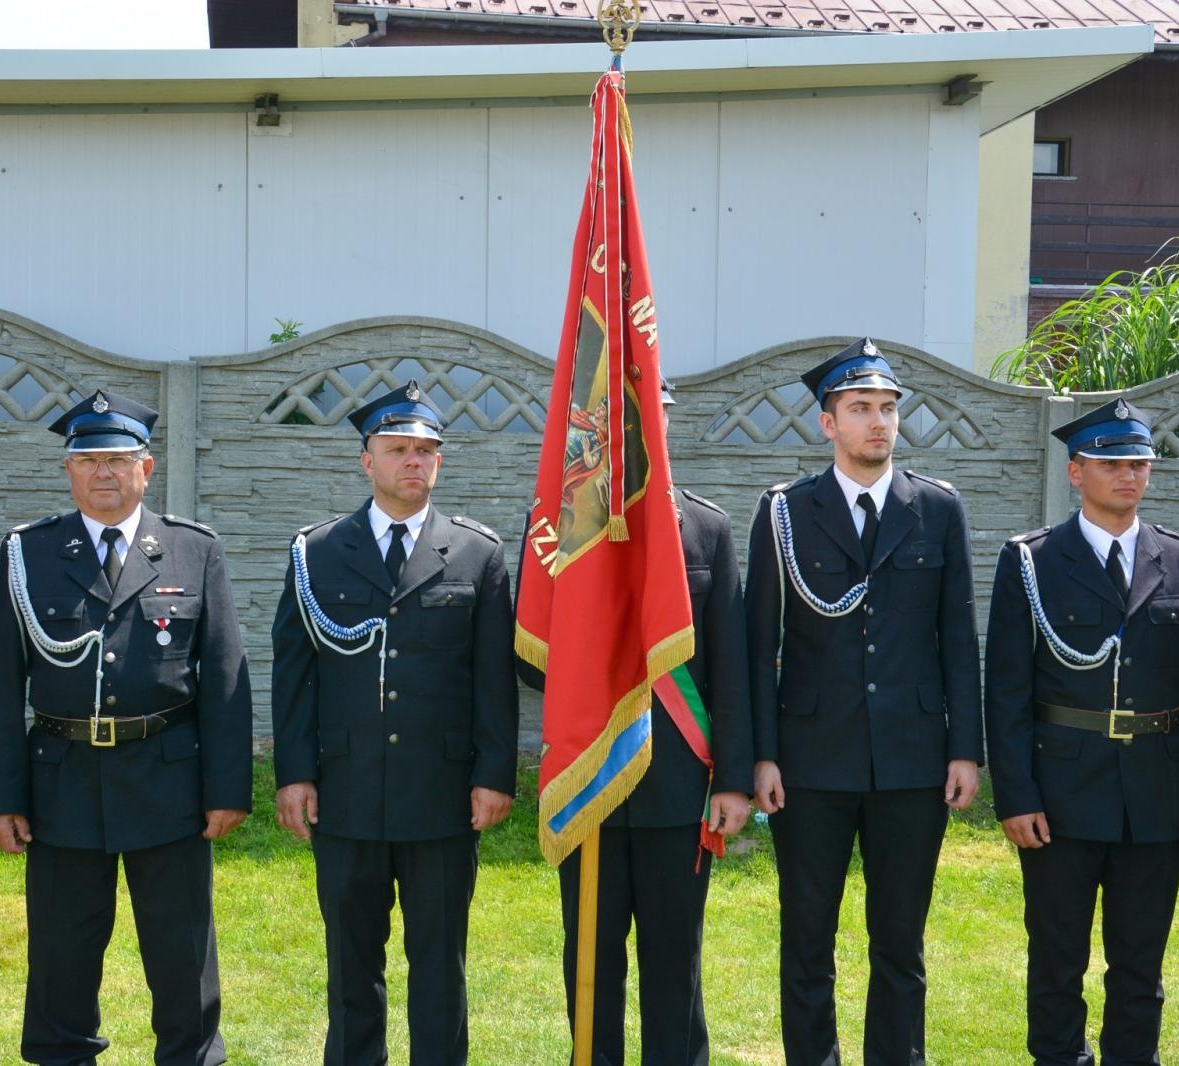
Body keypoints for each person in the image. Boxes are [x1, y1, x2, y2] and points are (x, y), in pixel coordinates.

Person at [0, 389, 252, 1066]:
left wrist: (228, 789)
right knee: (62, 958)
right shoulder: (27, 554)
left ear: (146, 469)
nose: (104, 473)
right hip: (61, 784)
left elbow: (224, 679)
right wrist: (0, 797)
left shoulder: (192, 551)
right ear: (67, 470)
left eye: (119, 460)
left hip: (169, 781)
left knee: (182, 958)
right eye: (88, 459)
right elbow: (1, 684)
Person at [745, 338, 981, 1065]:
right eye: (860, 409)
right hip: (811, 760)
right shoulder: (785, 511)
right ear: (827, 424)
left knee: (901, 941)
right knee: (807, 937)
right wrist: (762, 755)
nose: (878, 422)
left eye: (887, 408)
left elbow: (956, 638)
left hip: (911, 761)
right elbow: (759, 644)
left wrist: (965, 748)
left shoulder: (936, 509)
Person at [271, 380, 518, 1066]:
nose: (414, 461)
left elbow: (494, 680)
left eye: (426, 451)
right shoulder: (317, 551)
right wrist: (294, 773)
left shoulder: (476, 553)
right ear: (366, 460)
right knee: (351, 967)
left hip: (442, 798)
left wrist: (495, 773)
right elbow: (294, 674)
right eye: (398, 449)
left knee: (441, 964)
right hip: (346, 793)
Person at [984, 397, 1179, 1065]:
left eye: (1140, 464)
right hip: (1061, 791)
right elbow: (1006, 690)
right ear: (1075, 471)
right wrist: (1015, 796)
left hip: (1157, 790)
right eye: (1113, 462)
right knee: (1057, 959)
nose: (1129, 475)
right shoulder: (1031, 560)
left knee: (1141, 963)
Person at [521, 380, 752, 1066]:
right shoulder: (562, 527)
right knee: (590, 964)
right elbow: (532, 663)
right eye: (623, 426)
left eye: (650, 421)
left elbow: (731, 669)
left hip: (678, 785)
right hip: (591, 780)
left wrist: (733, 780)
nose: (639, 438)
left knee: (674, 962)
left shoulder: (706, 528)